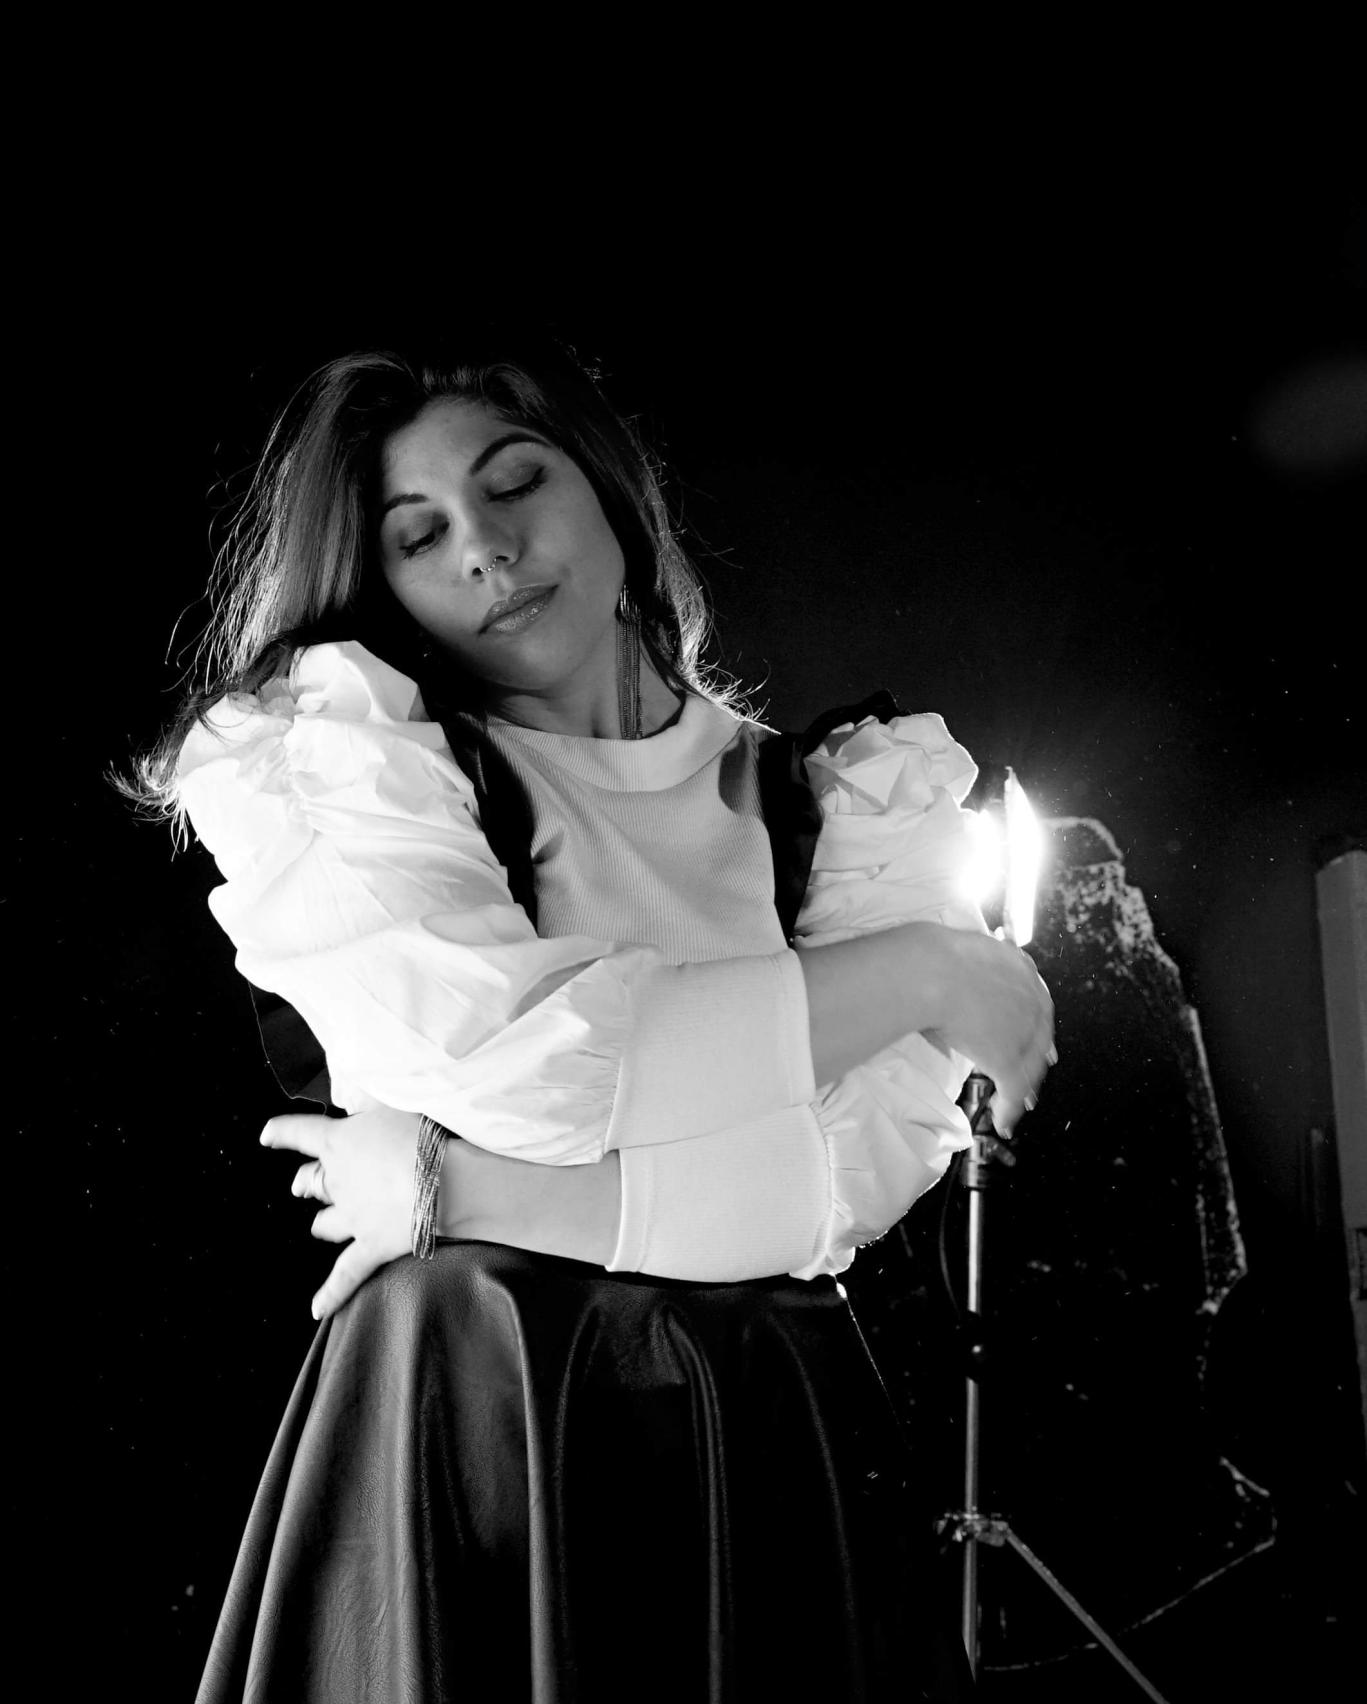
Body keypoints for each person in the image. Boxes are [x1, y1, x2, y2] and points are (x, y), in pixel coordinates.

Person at [126, 335, 1053, 1702]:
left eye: (515, 485)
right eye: (420, 535)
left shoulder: (845, 801)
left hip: (760, 1430)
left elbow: (843, 1187)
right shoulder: (366, 776)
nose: (485, 551)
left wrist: (462, 1190)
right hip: (483, 1420)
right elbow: (546, 1069)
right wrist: (921, 975)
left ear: (609, 490)